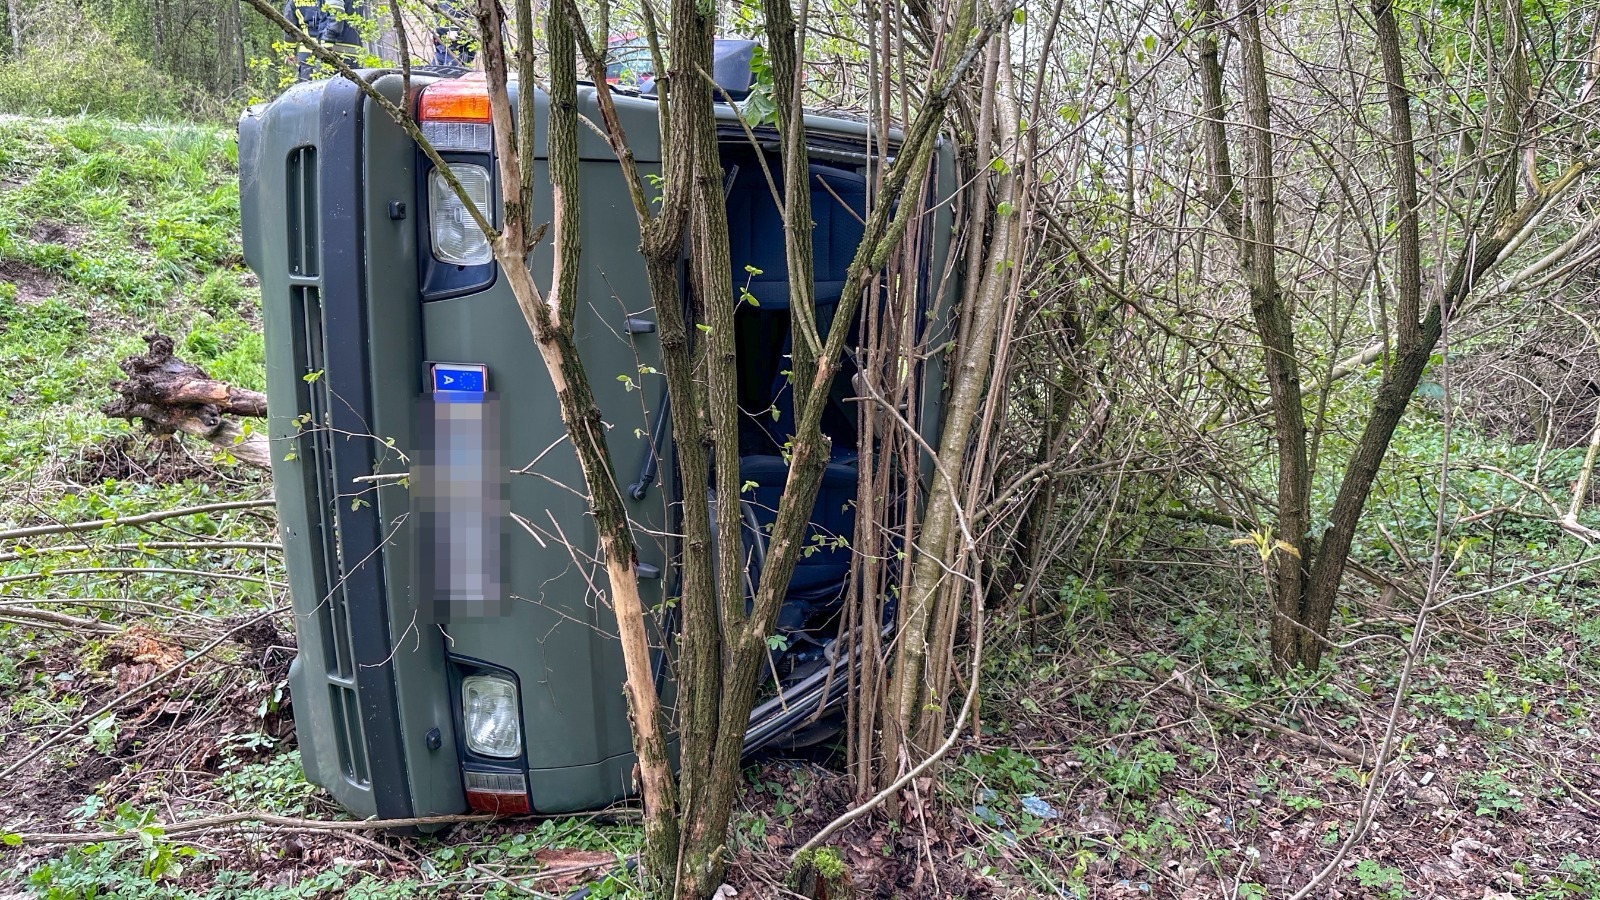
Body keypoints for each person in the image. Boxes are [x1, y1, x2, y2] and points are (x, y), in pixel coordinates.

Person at [283, 0, 367, 81]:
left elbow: (289, 25)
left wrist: (289, 51)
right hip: (351, 53)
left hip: (316, 53)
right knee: (350, 91)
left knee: (315, 90)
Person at [431, 0, 476, 69]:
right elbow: (438, 25)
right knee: (434, 74)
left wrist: (457, 34)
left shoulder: (467, 5)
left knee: (452, 76)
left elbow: (474, 29)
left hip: (458, 52)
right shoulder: (442, 4)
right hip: (441, 50)